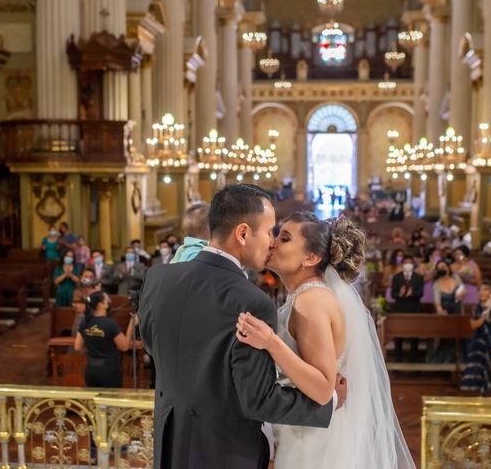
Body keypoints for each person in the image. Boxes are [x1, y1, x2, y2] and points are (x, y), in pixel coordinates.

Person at [138, 184, 345, 469]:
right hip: (226, 451)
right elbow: (258, 401)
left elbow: (152, 344)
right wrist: (329, 404)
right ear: (244, 233)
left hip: (170, 440)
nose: (272, 242)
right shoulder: (251, 301)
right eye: (270, 231)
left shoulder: (158, 277)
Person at [236, 212, 415, 468]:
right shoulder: (306, 296)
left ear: (311, 258)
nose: (273, 242)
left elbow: (322, 389)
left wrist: (270, 342)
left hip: (313, 440)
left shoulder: (312, 301)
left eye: (284, 238)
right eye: (276, 234)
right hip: (304, 428)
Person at [74, 291, 137, 388]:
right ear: (100, 305)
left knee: (95, 402)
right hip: (109, 370)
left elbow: (78, 347)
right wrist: (132, 324)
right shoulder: (110, 324)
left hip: (91, 369)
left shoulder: (85, 322)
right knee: (111, 401)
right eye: (106, 300)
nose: (109, 301)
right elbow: (124, 347)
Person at [391, 255, 424, 362]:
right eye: (406, 263)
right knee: (398, 337)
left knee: (414, 337)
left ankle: (414, 360)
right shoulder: (397, 277)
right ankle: (397, 360)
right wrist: (400, 294)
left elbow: (421, 293)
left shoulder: (418, 277)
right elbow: (393, 294)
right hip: (399, 310)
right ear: (403, 264)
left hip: (414, 310)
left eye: (410, 263)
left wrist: (412, 293)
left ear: (413, 265)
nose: (408, 265)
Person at [72, 267, 101, 335]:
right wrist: (95, 295)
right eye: (86, 276)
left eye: (91, 277)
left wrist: (98, 293)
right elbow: (80, 309)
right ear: (81, 277)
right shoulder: (77, 291)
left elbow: (103, 307)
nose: (88, 278)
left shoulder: (99, 291)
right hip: (82, 321)